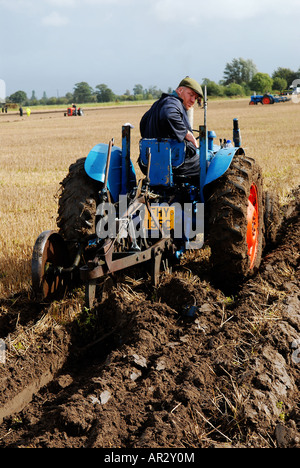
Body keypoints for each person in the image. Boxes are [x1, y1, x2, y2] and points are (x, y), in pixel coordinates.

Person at [139, 76, 203, 179]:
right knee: (209, 167)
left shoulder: (157, 104)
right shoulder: (174, 102)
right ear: (180, 90)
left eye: (195, 98)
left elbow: (143, 124)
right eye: (190, 95)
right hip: (177, 164)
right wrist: (186, 133)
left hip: (148, 163)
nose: (193, 100)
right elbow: (169, 114)